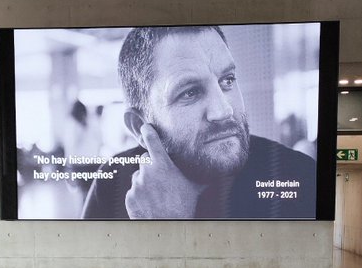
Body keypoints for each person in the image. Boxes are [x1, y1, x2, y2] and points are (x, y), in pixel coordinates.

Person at [82, 25, 316, 219]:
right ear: (138, 126)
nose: (224, 110)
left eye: (227, 80)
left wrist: (170, 232)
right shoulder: (115, 181)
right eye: (190, 92)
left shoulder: (297, 174)